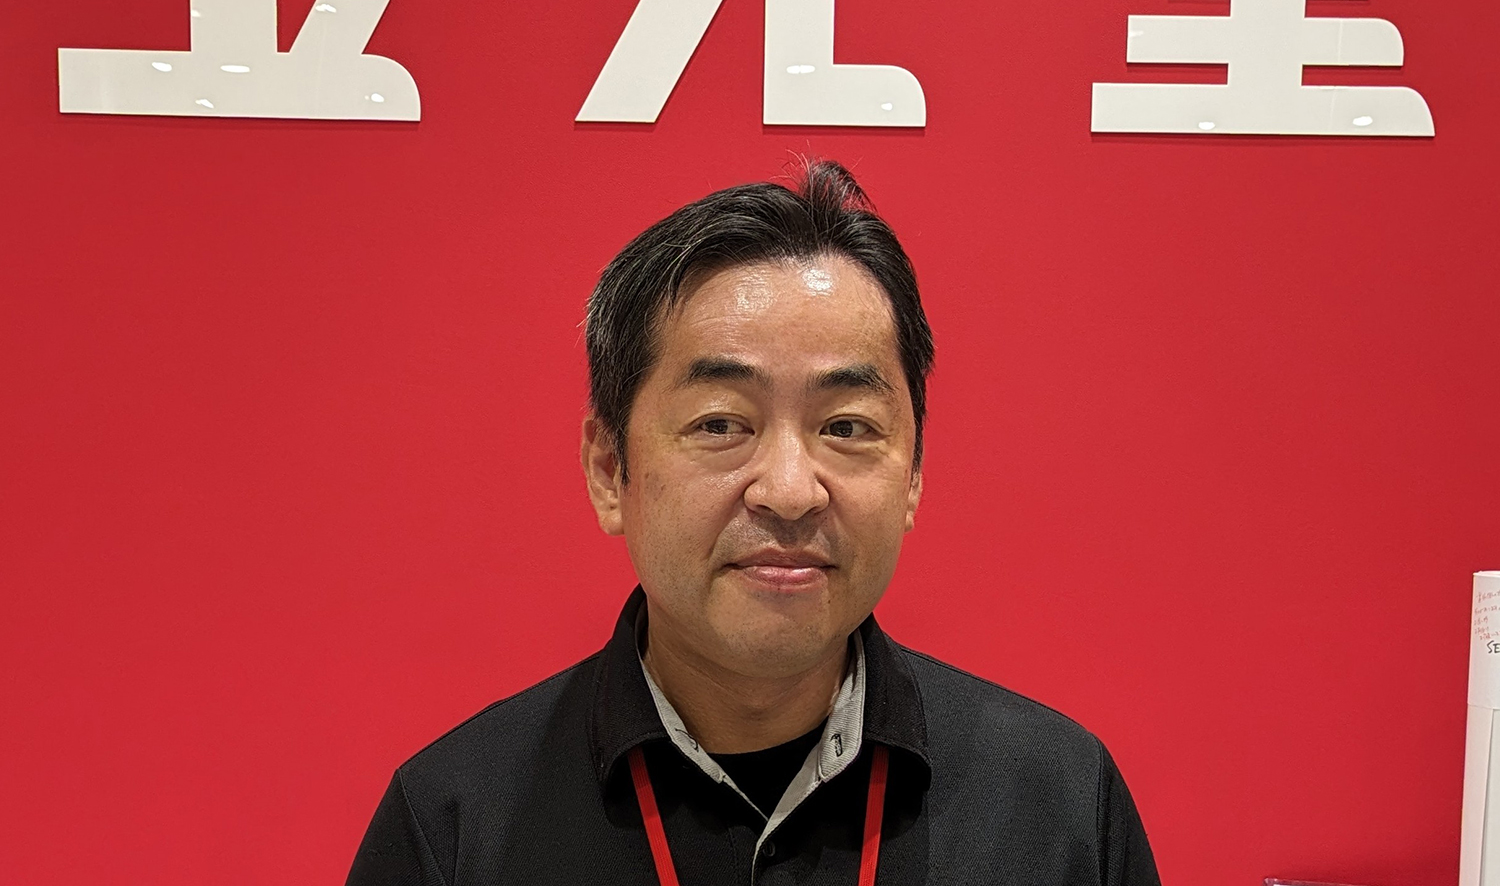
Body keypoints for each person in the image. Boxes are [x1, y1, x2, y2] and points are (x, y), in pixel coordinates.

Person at [346, 160, 1161, 885]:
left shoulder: (1059, 805)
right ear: (609, 469)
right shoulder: (454, 826)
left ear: (913, 474)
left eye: (845, 426)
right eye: (721, 423)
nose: (790, 490)